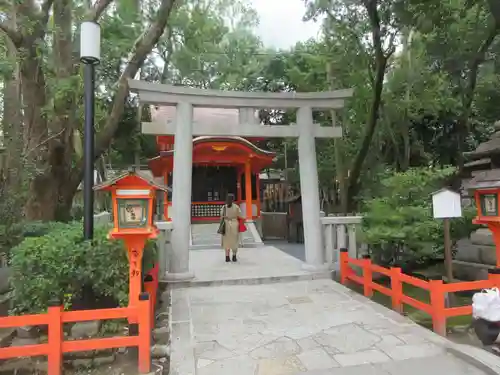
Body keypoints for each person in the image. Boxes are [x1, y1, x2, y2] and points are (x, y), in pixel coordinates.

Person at [220, 194, 242, 262]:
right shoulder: (236, 207)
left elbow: (221, 216)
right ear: (233, 199)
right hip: (234, 224)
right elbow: (240, 215)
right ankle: (234, 256)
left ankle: (227, 257)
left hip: (226, 224)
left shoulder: (224, 207)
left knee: (226, 241)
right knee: (234, 240)